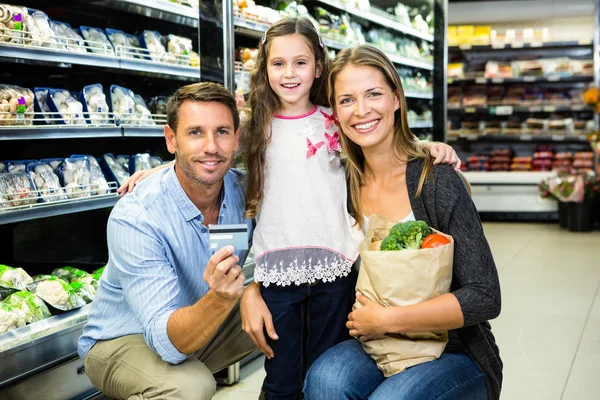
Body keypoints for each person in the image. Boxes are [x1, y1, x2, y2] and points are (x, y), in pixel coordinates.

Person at [118, 19, 460, 400]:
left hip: (336, 269)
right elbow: (210, 150)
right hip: (277, 276)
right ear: (264, 68)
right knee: (281, 378)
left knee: (323, 371)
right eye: (278, 63)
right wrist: (160, 169)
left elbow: (380, 137)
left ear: (318, 67)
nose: (289, 73)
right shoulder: (254, 125)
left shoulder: (336, 119)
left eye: (301, 62)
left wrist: (426, 147)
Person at [302, 45, 502, 400]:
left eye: (374, 94)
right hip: (376, 343)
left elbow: (484, 297)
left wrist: (387, 320)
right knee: (323, 381)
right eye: (346, 100)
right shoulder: (339, 183)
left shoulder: (435, 180)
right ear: (334, 112)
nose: (361, 111)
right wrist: (254, 288)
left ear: (396, 98)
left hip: (453, 348)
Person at [78, 82, 256, 400]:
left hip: (198, 324)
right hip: (123, 338)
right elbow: (165, 341)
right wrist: (219, 299)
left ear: (236, 138)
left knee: (296, 302)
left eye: (222, 132)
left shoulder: (243, 192)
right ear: (171, 139)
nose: (211, 146)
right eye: (195, 133)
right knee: (189, 386)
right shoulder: (137, 216)